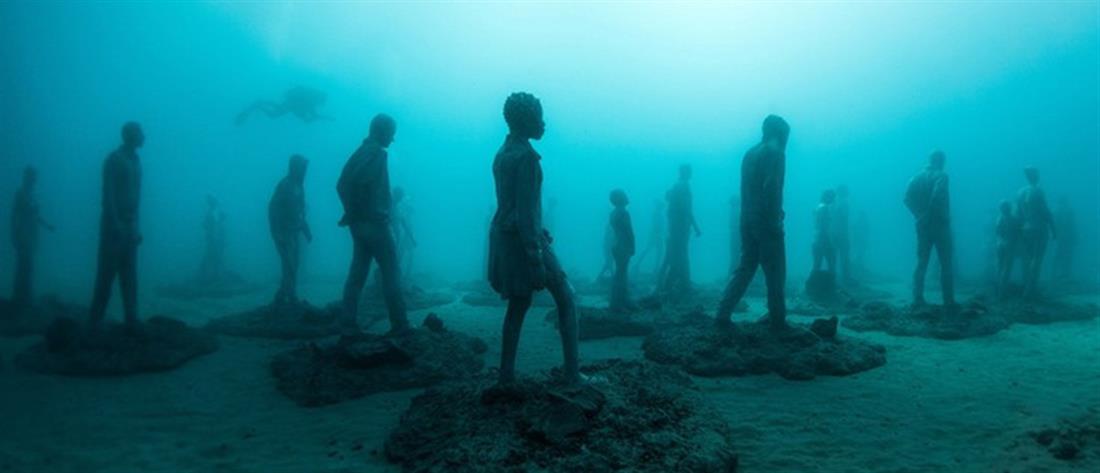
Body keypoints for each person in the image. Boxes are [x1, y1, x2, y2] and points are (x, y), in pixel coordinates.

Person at [488, 92, 582, 385]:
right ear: (526, 120)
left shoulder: (503, 153)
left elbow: (512, 207)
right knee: (566, 298)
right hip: (523, 240)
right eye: (539, 117)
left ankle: (506, 376)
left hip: (507, 236)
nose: (544, 123)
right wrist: (536, 255)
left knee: (518, 305)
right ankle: (572, 375)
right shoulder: (526, 158)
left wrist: (537, 231)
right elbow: (525, 212)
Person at [337, 114, 409, 336]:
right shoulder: (374, 154)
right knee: (392, 272)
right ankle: (400, 325)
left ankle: (347, 323)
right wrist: (372, 213)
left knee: (357, 273)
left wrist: (352, 213)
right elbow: (356, 183)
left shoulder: (359, 153)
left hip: (359, 225)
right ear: (382, 131)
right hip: (374, 226)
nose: (393, 139)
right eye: (391, 133)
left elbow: (342, 184)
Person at [716, 115, 790, 331]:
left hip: (746, 218)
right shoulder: (776, 153)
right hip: (766, 221)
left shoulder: (749, 153)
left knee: (746, 266)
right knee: (776, 271)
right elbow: (772, 187)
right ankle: (777, 319)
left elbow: (750, 189)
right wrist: (775, 220)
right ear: (780, 132)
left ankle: (722, 313)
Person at [89, 122, 144, 333]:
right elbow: (108, 195)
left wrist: (136, 227)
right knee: (106, 274)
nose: (144, 135)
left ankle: (131, 317)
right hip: (115, 225)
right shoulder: (114, 159)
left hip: (129, 224)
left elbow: (137, 199)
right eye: (140, 132)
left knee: (130, 275)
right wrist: (114, 223)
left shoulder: (137, 162)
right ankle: (95, 320)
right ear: (130, 135)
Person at [904, 150, 955, 307]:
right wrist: (929, 215)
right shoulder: (941, 176)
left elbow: (906, 199)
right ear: (941, 161)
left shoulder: (915, 178)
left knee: (921, 262)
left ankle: (917, 298)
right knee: (946, 263)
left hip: (921, 225)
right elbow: (937, 197)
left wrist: (919, 215)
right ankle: (948, 301)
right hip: (939, 224)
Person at [269, 155, 313, 306]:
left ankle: (282, 295)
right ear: (294, 167)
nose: (304, 170)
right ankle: (289, 296)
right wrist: (277, 233)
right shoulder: (284, 185)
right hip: (283, 232)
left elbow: (300, 211)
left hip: (294, 231)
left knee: (295, 263)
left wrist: (306, 229)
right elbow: (273, 210)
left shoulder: (299, 187)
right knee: (289, 264)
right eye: (302, 167)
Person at [9, 166, 54, 309]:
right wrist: (14, 234)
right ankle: (19, 298)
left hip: (32, 234)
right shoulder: (20, 194)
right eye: (32, 177)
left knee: (28, 266)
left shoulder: (31, 195)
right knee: (23, 265)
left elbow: (36, 216)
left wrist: (47, 225)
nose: (34, 180)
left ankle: (25, 297)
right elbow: (14, 215)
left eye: (35, 177)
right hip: (23, 234)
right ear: (27, 177)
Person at [660, 164, 701, 294]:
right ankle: (677, 284)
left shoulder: (677, 185)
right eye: (690, 171)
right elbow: (686, 208)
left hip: (678, 225)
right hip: (680, 226)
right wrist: (695, 226)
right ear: (686, 172)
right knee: (680, 255)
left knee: (678, 254)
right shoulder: (683, 185)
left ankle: (678, 283)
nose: (691, 173)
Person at [1016, 166, 1056, 299]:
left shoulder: (1020, 192)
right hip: (1039, 228)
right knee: (1037, 259)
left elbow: (1018, 214)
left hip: (1025, 229)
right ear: (1035, 176)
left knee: (1027, 259)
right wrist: (1053, 228)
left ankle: (1026, 286)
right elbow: (1045, 211)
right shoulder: (1038, 190)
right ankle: (1030, 290)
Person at [236, 86, 330, 125]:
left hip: (292, 103)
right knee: (274, 114)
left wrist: (322, 118)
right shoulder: (311, 101)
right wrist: (315, 118)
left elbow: (306, 114)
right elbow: (306, 113)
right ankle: (259, 104)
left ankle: (260, 103)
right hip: (292, 103)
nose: (321, 104)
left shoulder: (311, 101)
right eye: (322, 102)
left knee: (276, 110)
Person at [608, 189, 636, 312]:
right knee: (620, 275)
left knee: (621, 274)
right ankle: (616, 304)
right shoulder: (623, 213)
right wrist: (633, 245)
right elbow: (629, 230)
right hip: (623, 246)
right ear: (620, 198)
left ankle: (624, 300)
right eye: (624, 194)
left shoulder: (613, 213)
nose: (627, 195)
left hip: (616, 245)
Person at [994, 200, 1021, 297]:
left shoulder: (999, 218)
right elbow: (1018, 233)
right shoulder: (1014, 219)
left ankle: (998, 289)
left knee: (999, 267)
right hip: (1009, 245)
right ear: (1009, 208)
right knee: (1007, 268)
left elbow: (997, 232)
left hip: (999, 244)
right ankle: (1002, 291)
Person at [391, 186, 418, 279]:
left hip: (403, 234)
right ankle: (395, 274)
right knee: (399, 253)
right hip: (395, 235)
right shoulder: (392, 205)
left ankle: (403, 275)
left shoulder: (398, 207)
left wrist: (411, 238)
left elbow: (403, 222)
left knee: (406, 254)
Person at [198, 194, 226, 282]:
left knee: (213, 257)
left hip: (214, 239)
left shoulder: (213, 212)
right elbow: (211, 224)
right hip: (213, 239)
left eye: (209, 202)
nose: (208, 203)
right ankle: (213, 277)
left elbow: (211, 224)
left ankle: (213, 277)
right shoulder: (213, 212)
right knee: (213, 257)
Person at [634, 198, 665, 276]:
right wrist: (659, 234)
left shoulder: (657, 213)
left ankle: (639, 264)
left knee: (652, 250)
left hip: (655, 235)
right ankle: (654, 268)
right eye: (661, 206)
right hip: (656, 235)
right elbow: (657, 226)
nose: (662, 208)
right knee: (656, 251)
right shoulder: (657, 214)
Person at [1052, 196, 1077, 282]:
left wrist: (1054, 235)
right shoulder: (1069, 211)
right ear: (1065, 202)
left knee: (1058, 255)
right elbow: (1072, 225)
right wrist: (1075, 236)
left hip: (1059, 236)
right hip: (1068, 236)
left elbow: (1054, 224)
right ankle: (1066, 274)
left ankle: (1054, 274)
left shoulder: (1055, 211)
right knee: (1068, 255)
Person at [812, 189, 837, 273]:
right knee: (831, 259)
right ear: (828, 197)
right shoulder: (824, 208)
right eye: (832, 197)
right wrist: (827, 239)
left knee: (817, 262)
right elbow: (823, 226)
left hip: (817, 238)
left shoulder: (819, 206)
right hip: (822, 238)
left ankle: (813, 283)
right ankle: (829, 282)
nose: (834, 200)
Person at [832, 184, 852, 284]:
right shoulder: (844, 202)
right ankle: (846, 278)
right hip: (842, 233)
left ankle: (833, 277)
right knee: (845, 256)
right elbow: (844, 218)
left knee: (834, 256)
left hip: (834, 233)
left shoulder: (833, 203)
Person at [728, 194, 741, 277]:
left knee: (735, 254)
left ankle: (732, 273)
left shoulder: (735, 211)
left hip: (736, 235)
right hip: (737, 235)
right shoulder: (738, 210)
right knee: (736, 254)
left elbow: (733, 225)